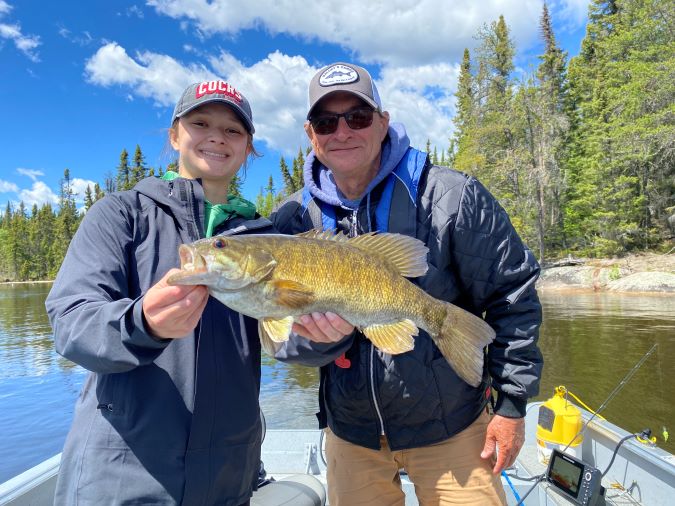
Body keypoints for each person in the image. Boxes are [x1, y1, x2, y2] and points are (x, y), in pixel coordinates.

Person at [271, 62, 543, 505]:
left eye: (357, 117)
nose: (342, 131)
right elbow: (283, 342)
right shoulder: (292, 221)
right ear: (310, 134)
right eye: (326, 121)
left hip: (452, 427)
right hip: (352, 436)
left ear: (382, 123)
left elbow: (513, 296)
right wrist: (323, 343)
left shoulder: (451, 197)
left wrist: (511, 405)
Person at [46, 80, 274, 505]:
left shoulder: (265, 238)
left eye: (232, 130)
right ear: (174, 135)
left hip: (229, 479)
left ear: (248, 148)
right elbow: (71, 321)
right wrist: (142, 323)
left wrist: (318, 338)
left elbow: (290, 338)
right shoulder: (119, 214)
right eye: (200, 123)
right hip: (122, 478)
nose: (216, 137)